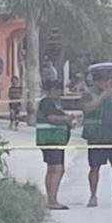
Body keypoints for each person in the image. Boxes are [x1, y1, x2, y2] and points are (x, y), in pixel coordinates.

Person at [83, 70, 112, 207]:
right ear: (96, 81)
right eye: (103, 81)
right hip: (96, 135)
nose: (106, 84)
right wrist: (103, 96)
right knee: (94, 167)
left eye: (107, 80)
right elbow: (88, 108)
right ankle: (93, 196)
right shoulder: (88, 94)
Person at [37, 80, 74, 210]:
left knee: (52, 169)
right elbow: (51, 118)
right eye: (59, 91)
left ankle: (51, 198)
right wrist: (65, 119)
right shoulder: (46, 103)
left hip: (53, 139)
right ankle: (52, 201)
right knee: (57, 169)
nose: (60, 94)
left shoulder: (53, 104)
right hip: (50, 139)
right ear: (52, 90)